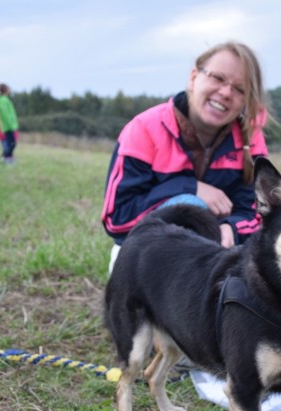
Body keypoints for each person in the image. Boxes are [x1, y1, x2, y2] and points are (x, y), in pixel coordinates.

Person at [101, 41, 270, 274]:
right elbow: (116, 220)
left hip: (216, 255)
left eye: (240, 90)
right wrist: (188, 188)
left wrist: (231, 229)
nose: (225, 92)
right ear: (193, 77)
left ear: (246, 101)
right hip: (142, 253)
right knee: (191, 206)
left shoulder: (250, 140)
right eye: (217, 78)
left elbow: (258, 217)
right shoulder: (144, 129)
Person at [0, 83, 19, 164]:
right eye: (8, 88)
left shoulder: (4, 99)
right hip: (8, 126)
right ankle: (6, 158)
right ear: (5, 90)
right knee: (12, 143)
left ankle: (7, 157)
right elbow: (5, 114)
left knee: (11, 143)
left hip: (8, 125)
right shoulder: (3, 100)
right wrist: (11, 124)